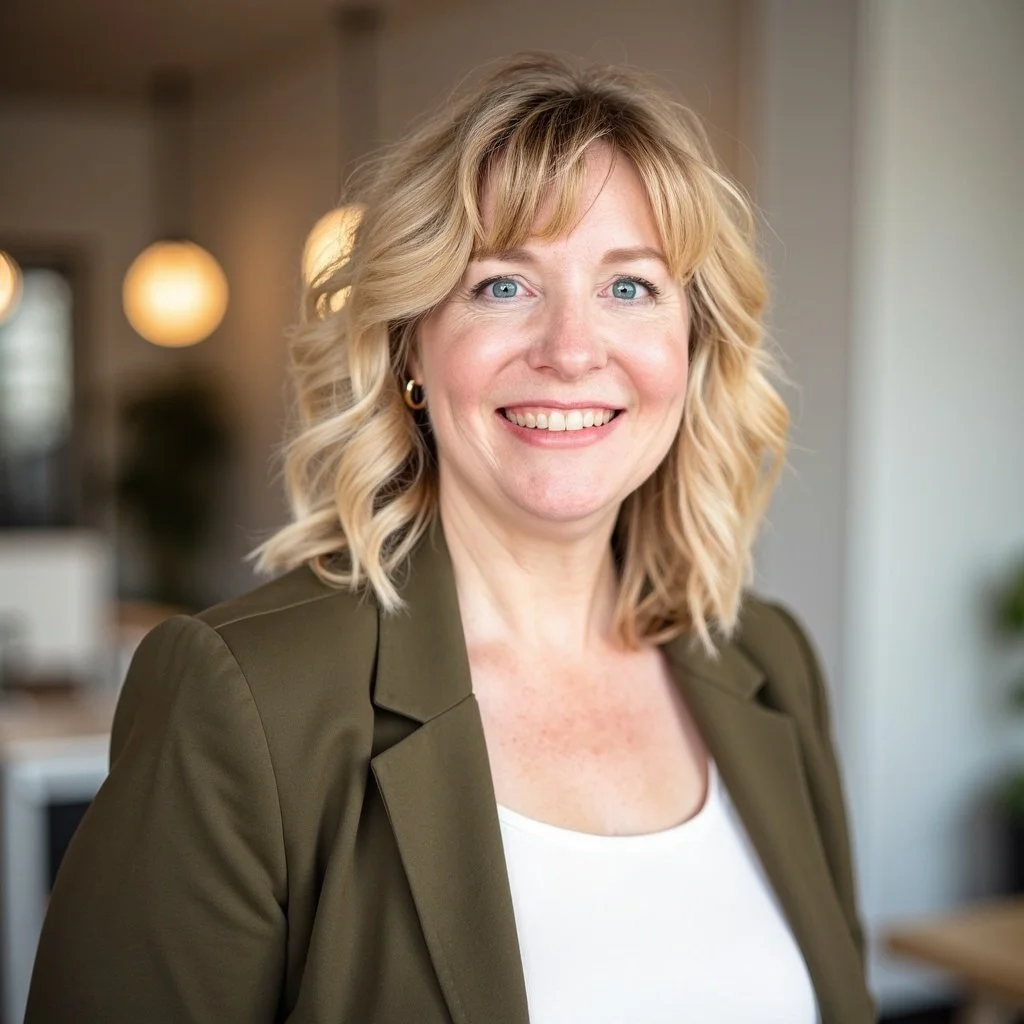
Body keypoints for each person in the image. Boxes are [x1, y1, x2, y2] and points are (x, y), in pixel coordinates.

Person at [26, 53, 876, 1023]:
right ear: (410, 351)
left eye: (630, 288)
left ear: (693, 347)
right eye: (502, 286)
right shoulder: (241, 699)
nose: (569, 349)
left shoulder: (767, 660)